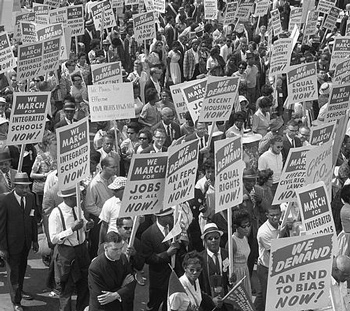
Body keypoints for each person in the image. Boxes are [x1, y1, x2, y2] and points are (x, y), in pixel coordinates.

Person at [49, 187, 94, 311]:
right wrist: (71, 230)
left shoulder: (77, 209)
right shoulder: (56, 213)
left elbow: (83, 225)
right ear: (69, 198)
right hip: (66, 253)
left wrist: (87, 226)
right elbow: (53, 239)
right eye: (78, 196)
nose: (80, 198)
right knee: (66, 288)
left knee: (84, 284)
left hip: (82, 250)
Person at [0, 172, 39, 311]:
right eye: (22, 187)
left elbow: (33, 220)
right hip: (11, 245)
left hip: (26, 243)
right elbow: (1, 226)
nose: (25, 190)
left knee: (21, 269)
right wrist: (2, 248)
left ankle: (19, 291)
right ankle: (16, 301)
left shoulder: (30, 198)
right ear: (15, 186)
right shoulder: (4, 200)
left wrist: (35, 240)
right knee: (13, 273)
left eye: (27, 187)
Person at [141, 207, 179, 311]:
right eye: (169, 215)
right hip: (159, 278)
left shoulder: (175, 229)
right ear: (161, 217)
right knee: (155, 304)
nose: (172, 217)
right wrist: (167, 253)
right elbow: (148, 258)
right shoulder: (147, 234)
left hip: (175, 275)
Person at [88, 231, 136, 311]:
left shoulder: (123, 258)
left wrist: (115, 294)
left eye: (121, 248)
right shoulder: (95, 268)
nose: (119, 252)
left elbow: (132, 282)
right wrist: (122, 287)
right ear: (106, 247)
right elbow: (102, 298)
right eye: (115, 249)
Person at [85, 157, 117, 259]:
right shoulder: (94, 184)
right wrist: (105, 213)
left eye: (116, 167)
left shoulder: (114, 179)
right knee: (97, 246)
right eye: (112, 167)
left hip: (113, 218)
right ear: (104, 167)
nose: (115, 170)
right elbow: (89, 205)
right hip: (99, 220)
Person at [198, 223, 235, 311]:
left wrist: (232, 280)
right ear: (205, 241)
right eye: (210, 238)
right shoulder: (200, 258)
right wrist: (210, 300)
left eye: (216, 238)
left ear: (220, 238)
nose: (213, 240)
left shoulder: (226, 254)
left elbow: (229, 279)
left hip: (225, 301)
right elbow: (199, 285)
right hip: (208, 303)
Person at [254, 205, 283, 311]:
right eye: (272, 215)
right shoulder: (264, 232)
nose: (275, 218)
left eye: (277, 215)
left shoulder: (281, 225)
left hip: (275, 266)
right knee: (268, 297)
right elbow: (276, 253)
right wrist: (282, 235)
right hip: (266, 269)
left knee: (262, 294)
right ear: (267, 215)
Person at [229, 208, 252, 300]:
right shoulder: (232, 242)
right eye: (243, 226)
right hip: (237, 275)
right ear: (236, 226)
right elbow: (228, 263)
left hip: (245, 272)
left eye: (248, 225)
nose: (247, 229)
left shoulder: (245, 238)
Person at [99, 177, 127, 245]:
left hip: (129, 240)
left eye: (116, 190)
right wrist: (101, 244)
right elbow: (104, 225)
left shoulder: (135, 203)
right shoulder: (109, 203)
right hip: (112, 242)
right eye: (113, 189)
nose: (113, 192)